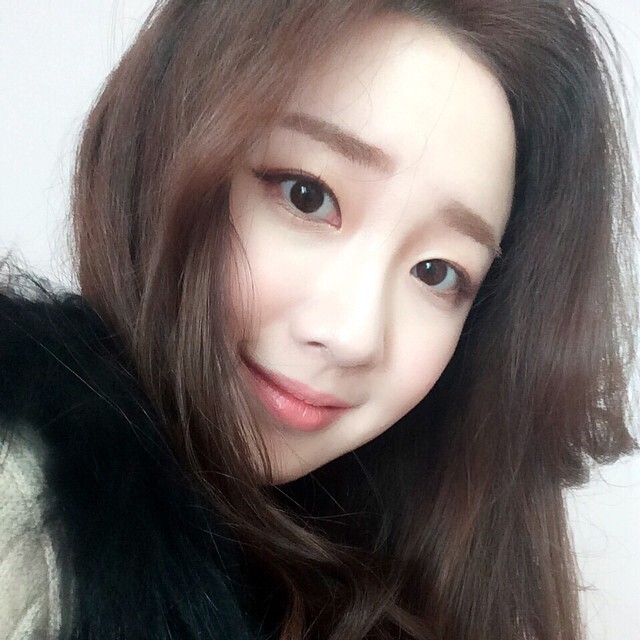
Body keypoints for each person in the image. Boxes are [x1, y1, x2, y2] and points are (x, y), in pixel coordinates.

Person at [0, 0, 636, 638]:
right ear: (165, 144)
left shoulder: (391, 556)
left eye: (437, 272)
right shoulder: (27, 512)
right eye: (307, 196)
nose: (353, 335)